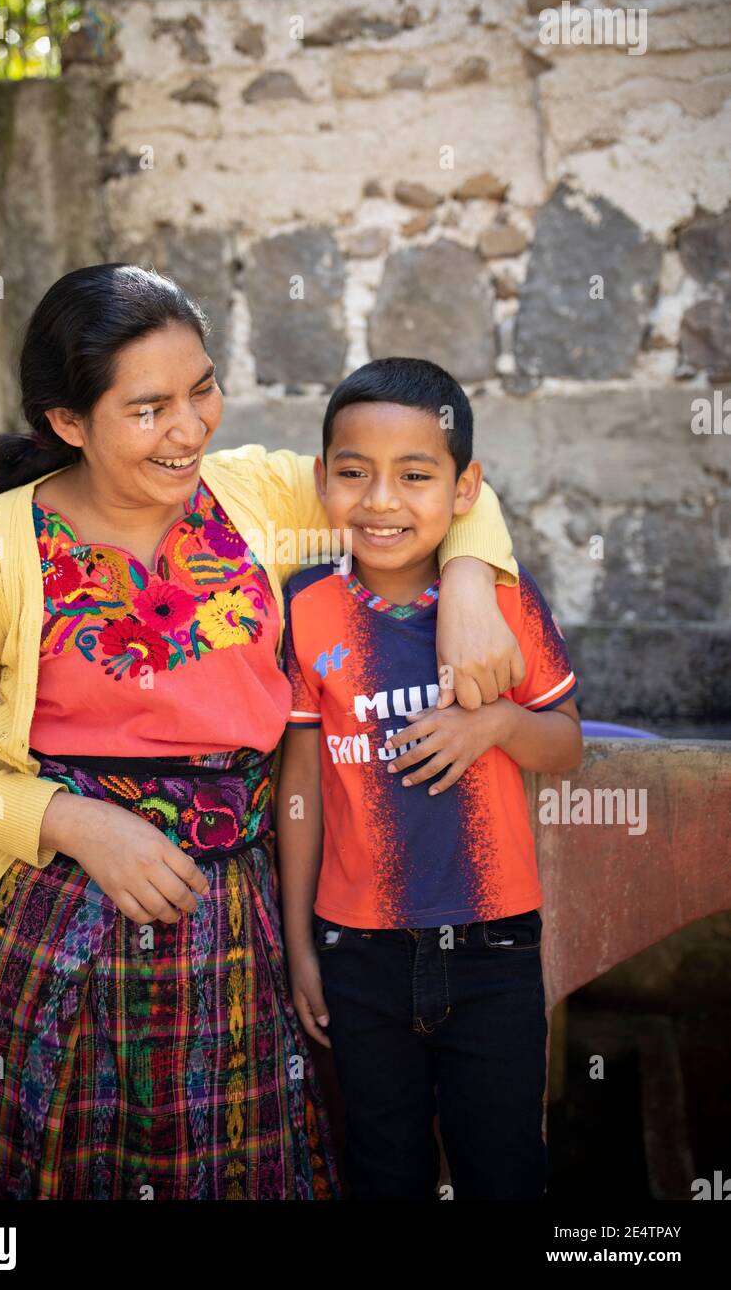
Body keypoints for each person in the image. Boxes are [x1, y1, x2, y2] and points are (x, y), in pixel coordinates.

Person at [0, 265, 524, 1200]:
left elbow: (438, 483)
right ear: (68, 422)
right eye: (148, 409)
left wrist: (466, 583)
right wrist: (77, 824)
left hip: (228, 933)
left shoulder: (254, 499)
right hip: (49, 932)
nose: (190, 429)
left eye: (202, 388)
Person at [277, 356, 583, 1201]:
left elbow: (565, 743)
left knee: (506, 1166)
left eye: (415, 475)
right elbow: (298, 792)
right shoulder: (305, 609)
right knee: (383, 1165)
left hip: (493, 947)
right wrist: (302, 943)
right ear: (321, 481)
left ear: (464, 488)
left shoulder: (503, 606)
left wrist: (493, 724)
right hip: (358, 950)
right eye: (354, 474)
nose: (381, 500)